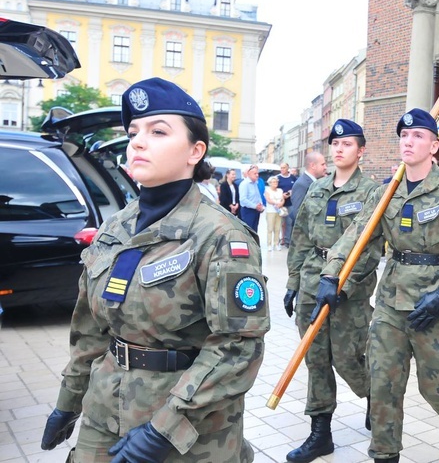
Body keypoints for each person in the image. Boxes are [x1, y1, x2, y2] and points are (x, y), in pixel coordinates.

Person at [40, 77, 270, 462]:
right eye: (134, 132)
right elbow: (91, 328)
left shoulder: (219, 234)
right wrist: (69, 400)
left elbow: (238, 346)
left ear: (195, 151)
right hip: (105, 407)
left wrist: (164, 428)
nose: (138, 142)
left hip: (188, 428)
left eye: (158, 131)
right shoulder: (116, 227)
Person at [320, 108, 439, 463]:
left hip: (434, 304)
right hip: (390, 304)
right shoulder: (386, 192)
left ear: (434, 146)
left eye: (417, 136)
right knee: (382, 385)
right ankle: (384, 455)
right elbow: (357, 239)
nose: (408, 142)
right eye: (404, 136)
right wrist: (332, 275)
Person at [284, 120, 381, 463]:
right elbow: (300, 238)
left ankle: (374, 395)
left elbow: (371, 249)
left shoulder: (370, 192)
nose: (339, 149)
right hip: (313, 280)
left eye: (348, 144)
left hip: (347, 290)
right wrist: (293, 283)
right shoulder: (317, 188)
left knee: (347, 358)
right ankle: (320, 433)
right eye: (335, 143)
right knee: (315, 359)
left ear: (361, 151)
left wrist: (347, 284)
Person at [288, 151, 328, 231]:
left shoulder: (314, 182)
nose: (325, 167)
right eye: (322, 164)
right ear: (313, 165)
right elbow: (298, 214)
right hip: (304, 238)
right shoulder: (302, 184)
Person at [239, 164, 265, 232]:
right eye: (255, 173)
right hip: (248, 211)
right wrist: (255, 206)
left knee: (254, 231)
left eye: (257, 173)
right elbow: (243, 200)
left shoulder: (255, 183)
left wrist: (261, 205)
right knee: (249, 232)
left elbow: (258, 196)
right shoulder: (244, 184)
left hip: (256, 211)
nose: (257, 175)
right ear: (248, 174)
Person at [278, 162, 298, 247]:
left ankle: (287, 240)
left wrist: (291, 192)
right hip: (281, 203)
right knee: (282, 223)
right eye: (281, 168)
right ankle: (281, 238)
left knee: (289, 222)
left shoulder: (293, 177)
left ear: (287, 168)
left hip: (290, 203)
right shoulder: (278, 178)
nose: (282, 169)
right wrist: (281, 195)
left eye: (284, 168)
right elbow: (274, 189)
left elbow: (297, 187)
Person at [264, 176, 285, 251]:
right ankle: (269, 244)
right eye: (273, 182)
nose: (275, 183)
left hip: (278, 211)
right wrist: (276, 203)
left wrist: (281, 204)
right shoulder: (267, 190)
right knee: (270, 228)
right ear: (270, 183)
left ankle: (276, 244)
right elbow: (268, 200)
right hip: (270, 211)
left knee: (277, 228)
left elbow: (283, 199)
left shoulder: (280, 190)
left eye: (276, 182)